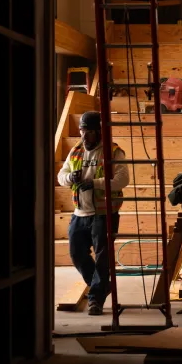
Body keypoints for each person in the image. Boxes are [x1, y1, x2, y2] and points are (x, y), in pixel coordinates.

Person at [57, 111, 129, 315]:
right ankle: (100, 285)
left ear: (99, 132)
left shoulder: (113, 152)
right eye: (82, 131)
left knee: (102, 257)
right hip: (80, 213)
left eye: (88, 132)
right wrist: (70, 177)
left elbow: (122, 180)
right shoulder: (77, 151)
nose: (84, 136)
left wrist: (94, 183)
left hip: (104, 213)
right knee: (76, 253)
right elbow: (61, 176)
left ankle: (96, 298)